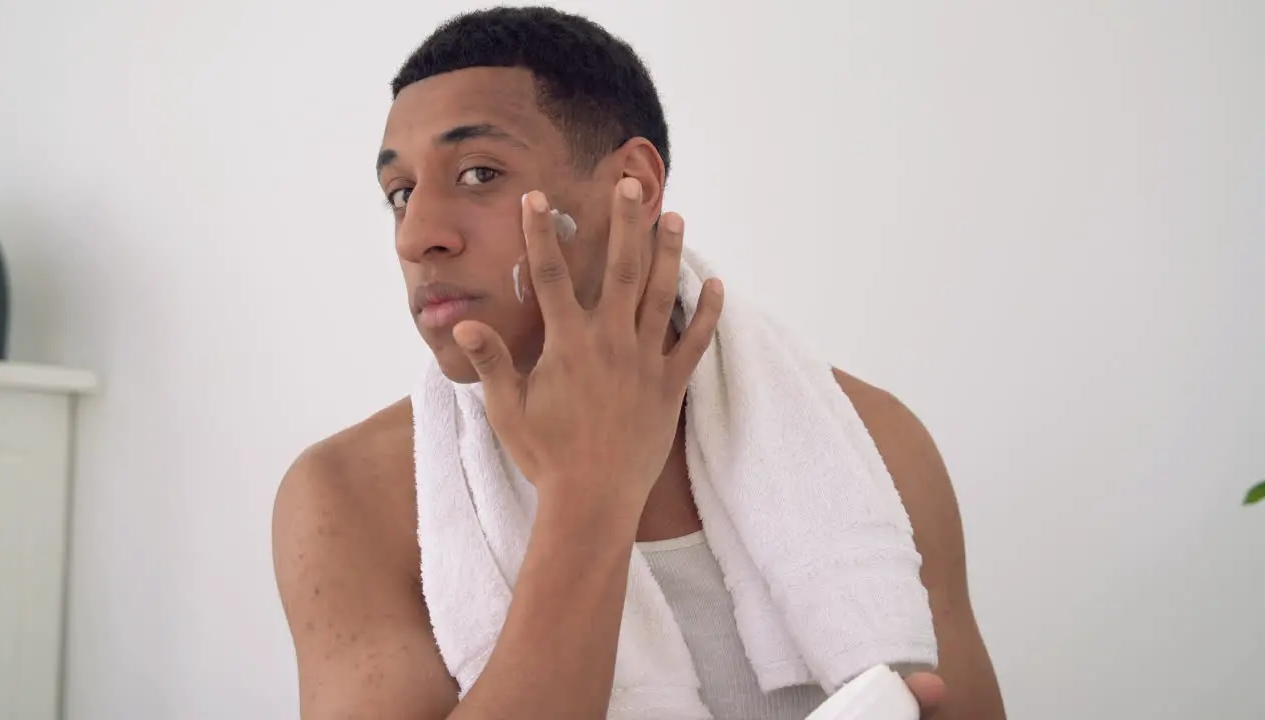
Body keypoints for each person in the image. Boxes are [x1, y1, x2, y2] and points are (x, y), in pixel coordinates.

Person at [271, 6, 1005, 719]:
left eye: (477, 174)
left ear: (637, 185)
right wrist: (590, 493)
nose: (417, 235)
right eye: (400, 193)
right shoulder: (351, 497)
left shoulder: (871, 444)